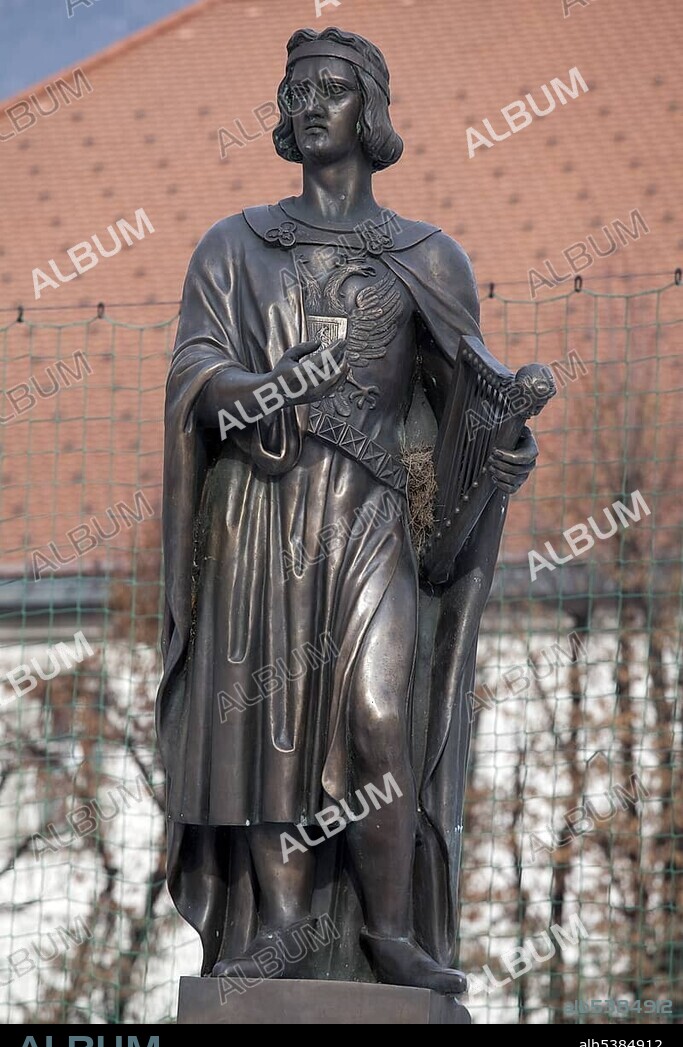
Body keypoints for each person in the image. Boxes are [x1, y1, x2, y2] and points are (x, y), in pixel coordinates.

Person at [156, 26, 538, 994]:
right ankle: (277, 932)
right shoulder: (233, 245)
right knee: (271, 721)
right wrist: (262, 385)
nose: (307, 104)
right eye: (293, 91)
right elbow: (194, 372)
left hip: (368, 512)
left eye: (330, 88)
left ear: (370, 111)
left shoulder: (425, 255)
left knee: (377, 716)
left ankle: (392, 933)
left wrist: (503, 439)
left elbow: (468, 394)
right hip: (260, 511)